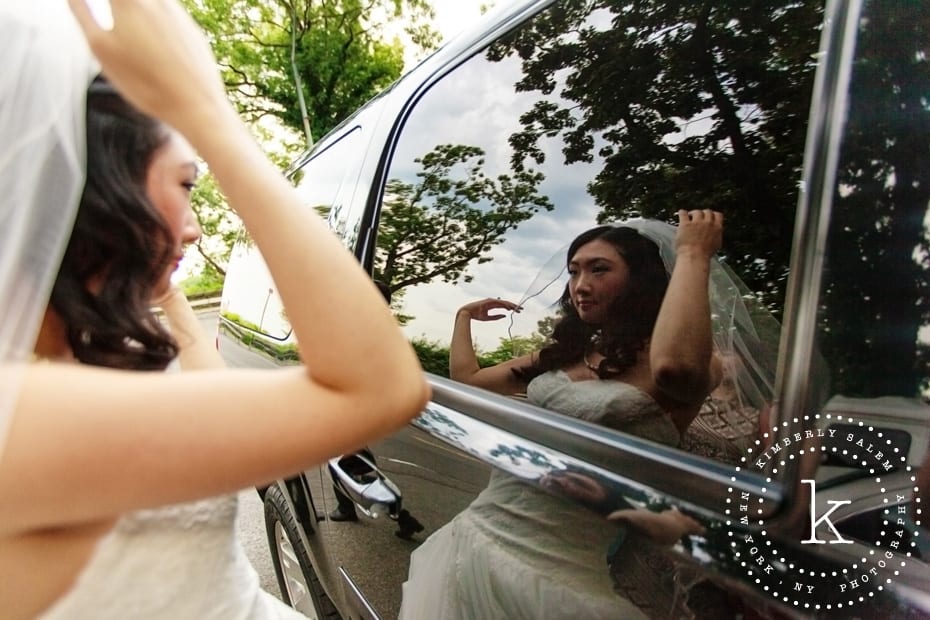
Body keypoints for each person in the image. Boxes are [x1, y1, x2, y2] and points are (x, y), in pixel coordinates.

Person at [0, 2, 429, 619]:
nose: (197, 228)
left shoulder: (79, 363)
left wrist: (165, 285)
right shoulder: (25, 417)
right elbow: (381, 387)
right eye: (186, 185)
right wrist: (208, 114)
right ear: (101, 192)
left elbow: (202, 390)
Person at [400, 213, 744, 619]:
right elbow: (471, 380)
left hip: (560, 580)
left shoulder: (691, 362)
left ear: (643, 280)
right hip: (471, 543)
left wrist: (693, 253)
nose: (581, 286)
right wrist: (463, 318)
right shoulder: (566, 353)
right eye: (574, 271)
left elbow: (676, 370)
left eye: (600, 270)